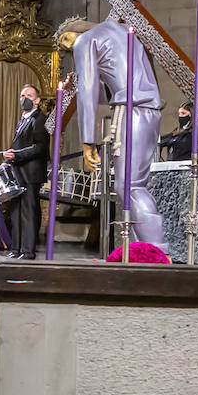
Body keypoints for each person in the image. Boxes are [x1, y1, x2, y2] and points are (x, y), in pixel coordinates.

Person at [57, 16, 167, 249]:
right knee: (135, 185)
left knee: (129, 186)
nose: (68, 49)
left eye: (64, 42)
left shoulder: (85, 40)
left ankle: (157, 254)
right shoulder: (125, 33)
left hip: (131, 112)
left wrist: (88, 142)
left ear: (71, 34)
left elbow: (87, 91)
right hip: (151, 111)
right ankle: (152, 251)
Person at [2, 84, 50, 259]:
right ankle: (16, 249)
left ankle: (28, 251)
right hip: (18, 172)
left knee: (28, 212)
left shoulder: (40, 119)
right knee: (16, 211)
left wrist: (17, 155)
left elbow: (40, 147)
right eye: (23, 95)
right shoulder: (22, 119)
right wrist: (10, 154)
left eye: (29, 96)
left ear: (37, 100)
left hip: (31, 173)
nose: (25, 99)